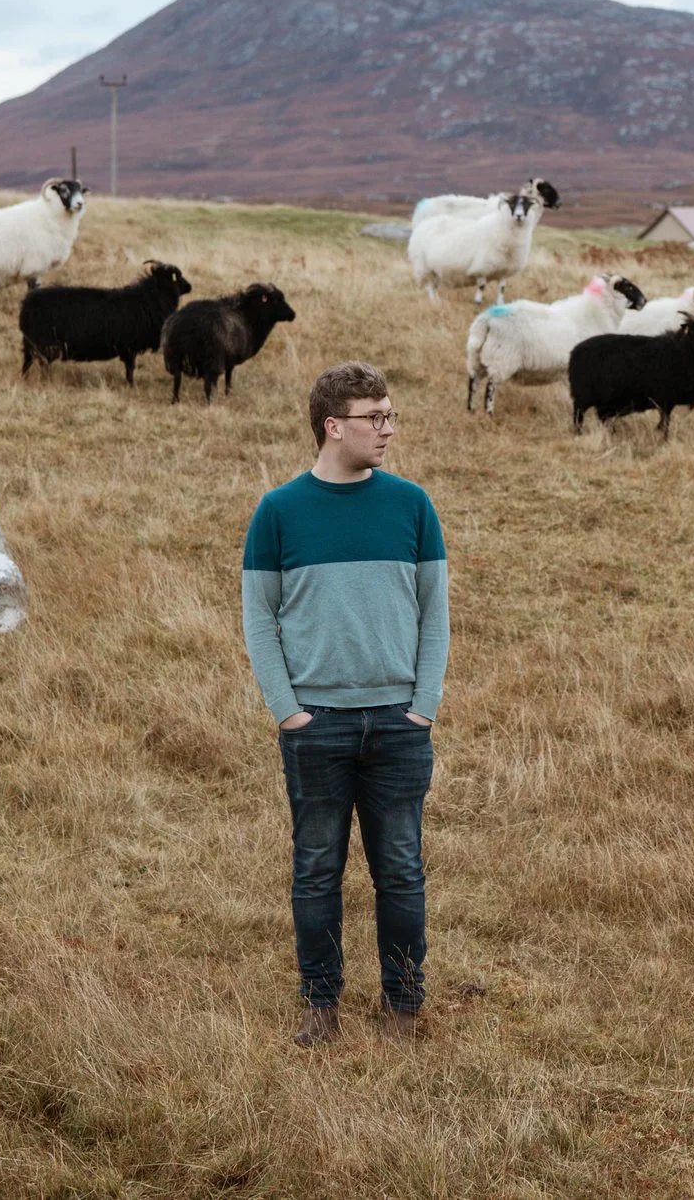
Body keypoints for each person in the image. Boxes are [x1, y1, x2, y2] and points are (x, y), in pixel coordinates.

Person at [241, 361, 449, 1046]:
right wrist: (287, 710)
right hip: (316, 727)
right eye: (375, 417)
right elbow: (259, 618)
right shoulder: (278, 512)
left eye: (391, 415)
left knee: (400, 870)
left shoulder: (413, 505)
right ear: (334, 427)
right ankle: (320, 1005)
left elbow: (436, 615)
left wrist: (422, 705)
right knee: (316, 868)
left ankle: (402, 1006)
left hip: (398, 724)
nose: (388, 429)